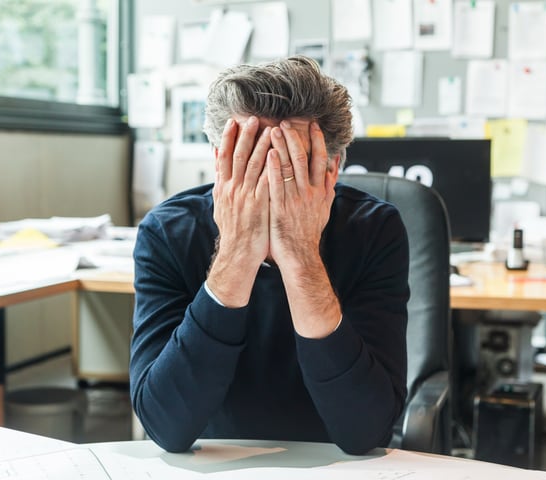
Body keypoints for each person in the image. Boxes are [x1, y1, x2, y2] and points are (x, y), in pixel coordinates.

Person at [129, 56, 410, 455]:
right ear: (220, 162)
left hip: (335, 466)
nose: (266, 185)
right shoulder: (167, 233)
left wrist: (300, 254)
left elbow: (366, 432)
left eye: (288, 168)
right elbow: (165, 426)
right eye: (250, 164)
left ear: (332, 169)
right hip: (213, 464)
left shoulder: (374, 230)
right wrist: (237, 251)